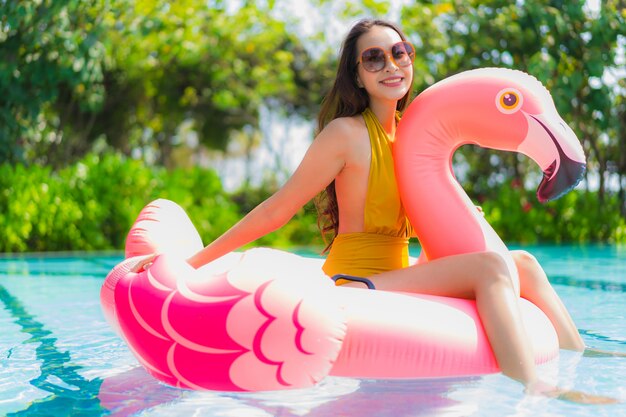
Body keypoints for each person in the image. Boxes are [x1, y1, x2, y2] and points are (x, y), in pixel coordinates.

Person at [139, 19, 618, 403]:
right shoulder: (346, 134)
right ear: (357, 75)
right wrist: (195, 263)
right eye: (373, 58)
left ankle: (579, 355)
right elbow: (278, 210)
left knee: (525, 265)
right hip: (357, 285)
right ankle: (536, 389)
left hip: (401, 276)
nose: (390, 65)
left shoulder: (412, 137)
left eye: (399, 52)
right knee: (493, 267)